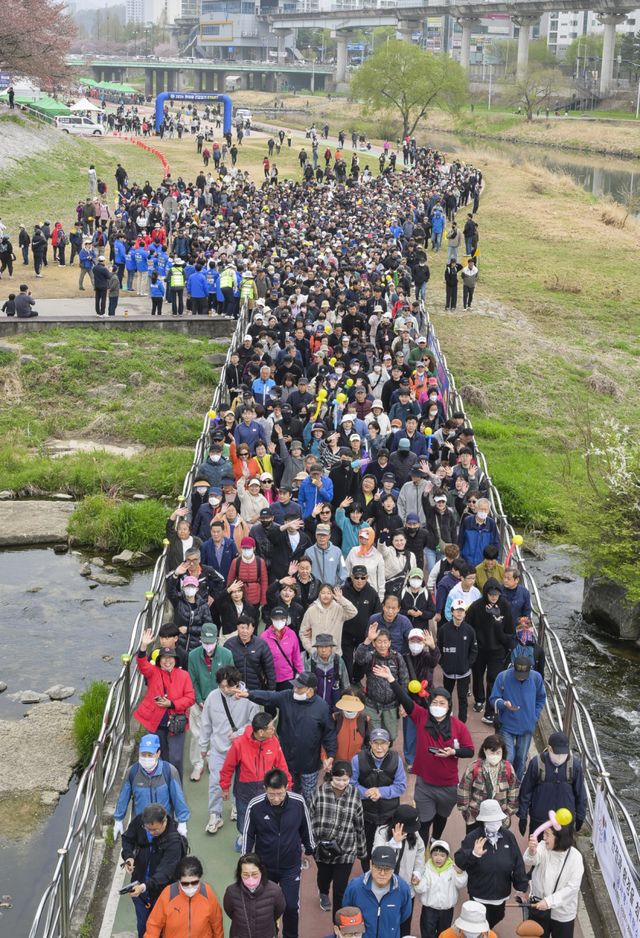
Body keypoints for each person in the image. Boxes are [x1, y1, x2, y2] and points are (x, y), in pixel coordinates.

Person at [373, 669, 473, 844]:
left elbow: (469, 750)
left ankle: (435, 840)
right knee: (424, 822)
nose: (438, 706)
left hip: (449, 785)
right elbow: (405, 699)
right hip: (425, 784)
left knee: (442, 816)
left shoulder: (459, 726)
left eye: (442, 703)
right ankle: (422, 850)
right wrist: (391, 679)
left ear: (449, 705)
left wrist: (453, 752)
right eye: (434, 702)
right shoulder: (421, 716)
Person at [234, 671, 336, 802]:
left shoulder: (322, 707)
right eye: (294, 686)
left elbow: (329, 733)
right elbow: (268, 696)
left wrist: (331, 755)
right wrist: (249, 694)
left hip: (310, 764)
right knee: (288, 795)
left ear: (310, 690)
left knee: (309, 797)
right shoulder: (287, 697)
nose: (295, 690)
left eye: (299, 687)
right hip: (286, 761)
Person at [243, 768, 315, 938]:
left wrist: (310, 848)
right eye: (271, 794)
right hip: (264, 867)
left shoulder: (298, 802)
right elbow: (248, 835)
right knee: (265, 907)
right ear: (265, 789)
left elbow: (306, 827)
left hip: (291, 866)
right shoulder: (255, 805)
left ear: (287, 787)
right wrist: (245, 861)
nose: (276, 798)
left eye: (280, 794)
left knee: (291, 907)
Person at [199, 664, 259, 836]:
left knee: (241, 782)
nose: (225, 690)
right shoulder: (213, 697)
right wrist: (203, 746)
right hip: (219, 747)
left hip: (241, 748)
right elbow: (206, 723)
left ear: (237, 683)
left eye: (229, 686)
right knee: (215, 782)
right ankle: (215, 814)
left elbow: (254, 723)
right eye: (222, 686)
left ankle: (235, 806)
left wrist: (240, 733)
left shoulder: (248, 698)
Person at [454, 799, 529, 930]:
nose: (494, 823)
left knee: (497, 917)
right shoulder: (473, 837)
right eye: (490, 820)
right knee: (477, 926)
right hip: (479, 894)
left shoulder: (508, 837)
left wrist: (521, 887)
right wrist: (473, 854)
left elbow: (518, 863)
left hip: (501, 894)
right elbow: (459, 860)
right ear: (483, 820)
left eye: (497, 820)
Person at [134, 629, 196, 781]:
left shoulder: (184, 675)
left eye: (170, 658)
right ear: (159, 660)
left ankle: (176, 787)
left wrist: (172, 704)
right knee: (160, 757)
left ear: (175, 660)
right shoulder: (153, 672)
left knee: (176, 759)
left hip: (176, 723)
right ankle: (162, 786)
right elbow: (142, 664)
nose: (167, 661)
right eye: (164, 658)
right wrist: (143, 646)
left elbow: (190, 698)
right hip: (156, 722)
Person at [219, 711, 292, 840]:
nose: (273, 730)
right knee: (243, 817)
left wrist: (288, 785)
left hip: (265, 790)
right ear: (261, 732)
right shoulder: (239, 744)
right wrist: (225, 787)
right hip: (244, 791)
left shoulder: (274, 742)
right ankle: (243, 837)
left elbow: (282, 766)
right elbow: (228, 767)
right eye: (271, 728)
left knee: (266, 817)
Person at [310, 760, 367, 916]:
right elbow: (309, 816)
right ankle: (323, 892)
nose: (342, 783)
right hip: (323, 848)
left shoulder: (355, 794)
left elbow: (359, 824)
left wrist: (362, 851)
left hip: (346, 850)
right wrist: (310, 844)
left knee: (340, 889)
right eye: (338, 779)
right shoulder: (320, 792)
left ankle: (338, 923)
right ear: (331, 776)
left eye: (345, 780)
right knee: (324, 877)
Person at [120, 803, 186, 938]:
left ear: (164, 822)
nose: (150, 833)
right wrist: (128, 856)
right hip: (140, 887)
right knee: (143, 925)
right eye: (147, 829)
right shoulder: (140, 822)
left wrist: (144, 887)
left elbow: (165, 873)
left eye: (154, 830)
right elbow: (127, 839)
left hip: (162, 893)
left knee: (162, 928)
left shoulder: (174, 843)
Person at [113, 734, 190, 838]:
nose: (146, 758)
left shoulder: (169, 771)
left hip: (164, 827)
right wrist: (118, 820)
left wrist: (182, 822)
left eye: (150, 755)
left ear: (158, 753)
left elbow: (178, 797)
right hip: (141, 828)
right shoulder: (132, 772)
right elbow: (123, 797)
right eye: (143, 754)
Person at [350, 728, 407, 869]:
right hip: (365, 814)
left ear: (389, 744)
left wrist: (380, 792)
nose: (379, 747)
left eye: (383, 743)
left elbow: (401, 786)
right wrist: (366, 793)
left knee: (388, 848)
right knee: (366, 850)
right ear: (370, 743)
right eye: (376, 743)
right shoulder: (357, 759)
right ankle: (367, 873)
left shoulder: (396, 760)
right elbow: (351, 784)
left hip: (389, 815)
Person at [517, 731, 587, 839]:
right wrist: (523, 816)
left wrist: (580, 816)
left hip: (564, 820)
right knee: (537, 847)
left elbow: (581, 794)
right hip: (540, 819)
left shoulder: (575, 766)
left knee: (562, 848)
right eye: (557, 753)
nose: (560, 756)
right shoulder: (536, 763)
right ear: (549, 749)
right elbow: (526, 791)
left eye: (563, 753)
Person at [187, 622, 234, 782]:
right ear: (200, 640)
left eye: (211, 642)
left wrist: (220, 699)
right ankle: (198, 764)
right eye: (205, 642)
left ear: (217, 640)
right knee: (197, 735)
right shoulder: (193, 655)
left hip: (220, 702)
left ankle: (213, 760)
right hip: (198, 702)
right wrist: (199, 700)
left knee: (218, 734)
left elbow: (230, 679)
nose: (208, 646)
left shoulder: (226, 654)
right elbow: (192, 680)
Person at [489, 656, 546, 780]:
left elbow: (541, 698)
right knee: (508, 757)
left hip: (527, 725)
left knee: (521, 758)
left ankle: (516, 783)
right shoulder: (503, 677)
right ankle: (504, 781)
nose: (520, 677)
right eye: (518, 674)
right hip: (506, 725)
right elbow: (493, 699)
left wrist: (535, 715)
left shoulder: (536, 678)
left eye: (523, 675)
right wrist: (503, 704)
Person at [523, 822, 584, 937]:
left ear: (559, 837)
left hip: (562, 913)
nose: (544, 837)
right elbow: (529, 860)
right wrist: (532, 851)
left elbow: (572, 888)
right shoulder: (543, 846)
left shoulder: (575, 858)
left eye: (547, 834)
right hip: (539, 907)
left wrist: (548, 901)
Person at [466, 578, 514, 724]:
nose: (494, 597)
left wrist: (507, 645)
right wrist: (472, 645)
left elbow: (510, 629)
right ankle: (479, 699)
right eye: (491, 594)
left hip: (497, 650)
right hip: (479, 649)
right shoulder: (476, 607)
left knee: (493, 679)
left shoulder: (505, 606)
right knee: (477, 675)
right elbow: (468, 627)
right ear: (486, 593)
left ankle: (490, 710)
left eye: (496, 594)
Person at [372, 804, 426, 932]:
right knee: (384, 922)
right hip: (384, 888)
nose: (410, 831)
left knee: (405, 923)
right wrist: (394, 843)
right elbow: (377, 855)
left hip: (406, 888)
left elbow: (420, 852)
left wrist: (417, 872)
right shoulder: (382, 832)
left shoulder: (414, 834)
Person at [342, 844, 412, 938]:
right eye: (378, 868)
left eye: (387, 869)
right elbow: (347, 911)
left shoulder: (403, 889)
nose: (382, 873)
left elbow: (405, 914)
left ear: (393, 868)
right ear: (371, 864)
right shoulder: (354, 887)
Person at [145, 855, 224, 938]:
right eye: (185, 884)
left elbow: (217, 923)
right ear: (179, 881)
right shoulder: (168, 894)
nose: (190, 887)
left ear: (200, 878)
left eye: (194, 882)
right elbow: (154, 924)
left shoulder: (207, 893)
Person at [354, 624, 409, 740]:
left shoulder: (397, 657)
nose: (382, 645)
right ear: (374, 644)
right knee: (374, 737)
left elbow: (404, 681)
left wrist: (404, 702)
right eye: (379, 641)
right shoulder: (370, 657)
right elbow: (359, 659)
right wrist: (368, 640)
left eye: (385, 642)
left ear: (389, 643)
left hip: (392, 705)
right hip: (372, 704)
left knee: (391, 736)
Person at [457, 733, 519, 834]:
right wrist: (467, 812)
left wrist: (508, 813)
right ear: (485, 750)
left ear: (503, 752)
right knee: (474, 842)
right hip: (476, 817)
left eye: (498, 753)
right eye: (492, 752)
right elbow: (464, 789)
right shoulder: (474, 768)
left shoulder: (508, 769)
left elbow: (514, 792)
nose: (495, 756)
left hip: (499, 818)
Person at [223, 853, 287, 938]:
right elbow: (229, 911)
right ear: (239, 874)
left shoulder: (275, 891)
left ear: (261, 872)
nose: (250, 878)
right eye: (246, 875)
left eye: (254, 874)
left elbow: (279, 910)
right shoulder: (231, 892)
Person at [413, 839, 468, 938]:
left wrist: (460, 873)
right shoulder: (426, 868)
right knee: (427, 932)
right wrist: (418, 883)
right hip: (429, 909)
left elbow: (460, 884)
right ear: (431, 855)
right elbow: (422, 888)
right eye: (435, 855)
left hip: (446, 909)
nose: (438, 858)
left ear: (447, 856)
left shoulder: (452, 868)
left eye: (442, 855)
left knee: (444, 933)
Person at [437, 597, 478, 723]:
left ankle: (462, 723)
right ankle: (446, 720)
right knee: (446, 696)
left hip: (464, 673)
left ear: (465, 613)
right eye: (457, 610)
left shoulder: (470, 630)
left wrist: (467, 665)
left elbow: (474, 650)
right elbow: (438, 649)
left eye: (462, 610)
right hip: (448, 672)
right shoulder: (443, 629)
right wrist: (443, 663)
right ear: (452, 611)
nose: (459, 613)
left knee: (463, 698)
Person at [300, 584, 358, 656]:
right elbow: (303, 633)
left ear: (332, 595)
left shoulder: (339, 609)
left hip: (335, 654)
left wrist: (341, 599)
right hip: (316, 655)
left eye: (329, 593)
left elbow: (353, 612)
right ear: (319, 594)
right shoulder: (311, 610)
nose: (326, 596)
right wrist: (311, 650)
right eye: (323, 593)